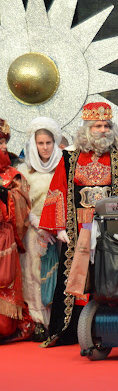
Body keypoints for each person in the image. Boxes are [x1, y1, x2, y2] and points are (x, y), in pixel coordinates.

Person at [39, 102, 118, 347]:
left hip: (110, 228)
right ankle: (74, 328)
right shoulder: (69, 158)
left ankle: (111, 325)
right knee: (78, 276)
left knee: (109, 273)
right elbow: (58, 191)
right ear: (86, 129)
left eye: (106, 125)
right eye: (97, 126)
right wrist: (59, 227)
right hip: (80, 229)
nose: (103, 130)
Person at [16, 117, 64, 341]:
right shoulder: (24, 172)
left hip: (61, 232)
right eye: (41, 143)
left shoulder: (64, 167)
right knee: (33, 275)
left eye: (49, 143)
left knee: (59, 275)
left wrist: (56, 226)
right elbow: (21, 204)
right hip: (34, 233)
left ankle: (58, 321)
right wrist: (40, 224)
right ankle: (37, 322)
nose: (45, 148)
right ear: (33, 145)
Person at [0, 118, 33, 344]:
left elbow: (23, 206)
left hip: (3, 239)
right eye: (0, 142)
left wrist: (6, 197)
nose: (3, 147)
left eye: (4, 142)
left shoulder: (13, 175)